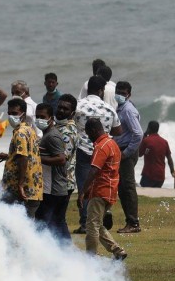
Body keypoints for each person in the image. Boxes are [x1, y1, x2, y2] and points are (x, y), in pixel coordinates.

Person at [72, 75, 122, 234]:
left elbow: (70, 123)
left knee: (84, 185)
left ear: (87, 89)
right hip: (103, 149)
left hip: (82, 149)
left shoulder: (78, 106)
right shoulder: (109, 108)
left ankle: (86, 222)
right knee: (101, 184)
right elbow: (118, 130)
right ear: (101, 91)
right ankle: (102, 214)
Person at [78, 118, 128, 260]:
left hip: (101, 189)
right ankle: (118, 251)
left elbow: (94, 170)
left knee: (91, 225)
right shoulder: (112, 143)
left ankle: (90, 257)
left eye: (88, 133)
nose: (88, 136)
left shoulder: (101, 146)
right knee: (97, 223)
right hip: (111, 190)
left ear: (94, 131)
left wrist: (82, 192)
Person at [0, 98, 43, 218]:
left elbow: (24, 158)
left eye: (15, 113)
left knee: (4, 218)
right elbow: (28, 153)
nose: (11, 116)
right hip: (33, 187)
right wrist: (9, 156)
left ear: (23, 114)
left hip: (19, 188)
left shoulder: (20, 133)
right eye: (9, 113)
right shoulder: (30, 130)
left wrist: (20, 185)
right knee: (26, 225)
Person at [34, 103, 70, 242]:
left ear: (51, 118)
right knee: (57, 223)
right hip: (56, 188)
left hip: (52, 189)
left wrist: (37, 158)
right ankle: (67, 253)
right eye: (37, 116)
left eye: (42, 117)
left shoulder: (52, 136)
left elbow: (61, 159)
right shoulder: (47, 135)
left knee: (42, 224)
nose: (39, 119)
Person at [113, 81, 144, 234]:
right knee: (122, 188)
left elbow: (138, 134)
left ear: (129, 94)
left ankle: (133, 223)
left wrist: (126, 153)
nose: (120, 95)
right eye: (118, 91)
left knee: (128, 187)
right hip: (122, 150)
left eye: (123, 93)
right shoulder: (121, 108)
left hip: (126, 151)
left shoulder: (128, 110)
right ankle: (130, 221)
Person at [54, 94, 79, 230]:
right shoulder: (59, 126)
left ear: (72, 113)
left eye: (65, 109)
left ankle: (66, 249)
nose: (61, 110)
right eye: (60, 107)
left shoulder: (68, 131)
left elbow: (63, 158)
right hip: (58, 180)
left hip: (63, 181)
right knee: (56, 218)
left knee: (57, 219)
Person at [139, 121, 175, 188]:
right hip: (160, 176)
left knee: (146, 193)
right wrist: (172, 172)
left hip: (148, 174)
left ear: (148, 128)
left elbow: (139, 154)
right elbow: (169, 158)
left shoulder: (146, 140)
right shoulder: (164, 142)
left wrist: (144, 135)